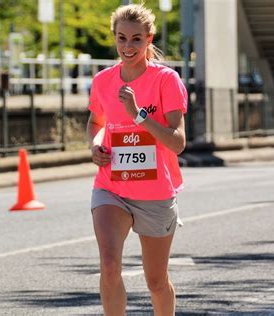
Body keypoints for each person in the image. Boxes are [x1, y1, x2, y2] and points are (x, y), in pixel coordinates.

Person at [86, 4, 187, 316]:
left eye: (136, 40)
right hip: (111, 186)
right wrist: (94, 146)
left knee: (156, 282)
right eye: (121, 38)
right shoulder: (103, 80)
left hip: (156, 192)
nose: (127, 47)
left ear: (149, 39)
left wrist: (139, 116)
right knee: (108, 265)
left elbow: (178, 142)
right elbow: (95, 122)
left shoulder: (166, 80)